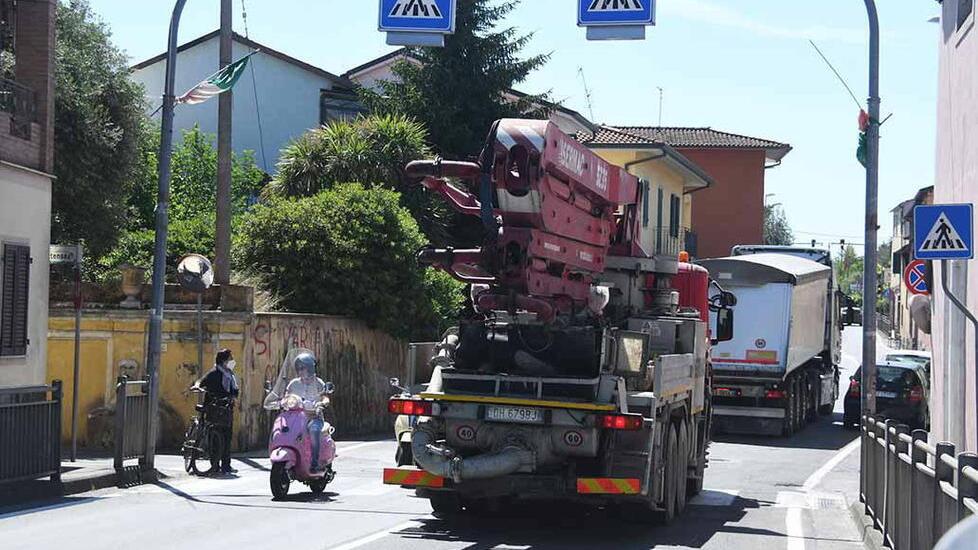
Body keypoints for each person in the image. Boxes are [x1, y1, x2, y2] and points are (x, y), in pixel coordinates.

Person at [285, 352, 329, 472]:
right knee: (283, 430)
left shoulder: (318, 383)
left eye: (303, 368)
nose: (300, 371)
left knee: (314, 431)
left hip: (314, 417)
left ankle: (314, 463)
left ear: (310, 368)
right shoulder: (294, 383)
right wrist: (282, 401)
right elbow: (286, 396)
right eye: (298, 368)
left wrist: (322, 403)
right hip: (295, 418)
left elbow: (325, 397)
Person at [199, 349, 239, 474]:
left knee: (227, 437)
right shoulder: (214, 373)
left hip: (226, 408)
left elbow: (235, 390)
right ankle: (214, 465)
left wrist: (232, 397)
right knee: (214, 437)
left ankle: (226, 465)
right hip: (214, 408)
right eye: (229, 358)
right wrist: (196, 386)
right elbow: (202, 382)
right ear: (223, 361)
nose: (231, 361)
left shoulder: (230, 375)